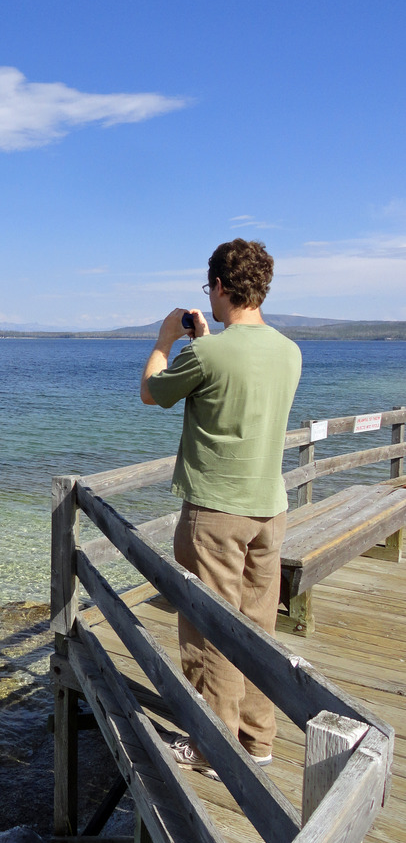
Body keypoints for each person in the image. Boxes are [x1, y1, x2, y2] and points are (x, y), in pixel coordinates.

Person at [139, 238, 301, 776]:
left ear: (221, 287)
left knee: (209, 632)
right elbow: (241, 392)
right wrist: (207, 343)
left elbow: (152, 393)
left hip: (214, 513)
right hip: (269, 509)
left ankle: (213, 745)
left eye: (209, 286)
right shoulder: (289, 350)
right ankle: (258, 740)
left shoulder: (203, 353)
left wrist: (166, 340)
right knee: (257, 628)